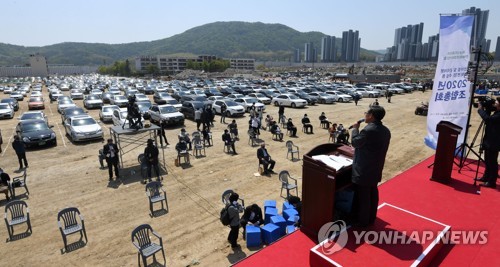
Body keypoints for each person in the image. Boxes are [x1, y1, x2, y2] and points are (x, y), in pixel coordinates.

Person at [350, 106, 391, 227]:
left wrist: (355, 129)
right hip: (376, 167)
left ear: (371, 116)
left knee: (363, 197)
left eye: (366, 113)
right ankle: (371, 218)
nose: (364, 115)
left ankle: (362, 223)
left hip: (364, 169)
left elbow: (355, 142)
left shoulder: (368, 130)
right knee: (372, 194)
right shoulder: (385, 130)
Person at [475, 97, 500, 188]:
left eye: (496, 102)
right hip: (489, 140)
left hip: (494, 142)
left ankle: (491, 182)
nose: (495, 103)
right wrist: (488, 108)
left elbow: (488, 119)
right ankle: (486, 177)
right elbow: (489, 119)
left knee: (492, 162)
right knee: (487, 160)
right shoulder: (497, 112)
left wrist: (480, 110)